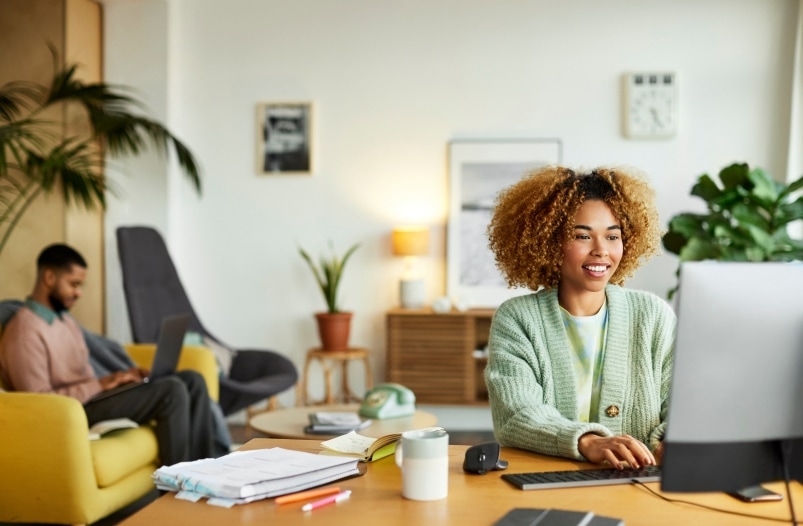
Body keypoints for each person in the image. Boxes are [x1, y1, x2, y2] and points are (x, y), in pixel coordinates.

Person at [484, 165, 675, 470]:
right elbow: (516, 413)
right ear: (548, 241)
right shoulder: (517, 319)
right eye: (582, 236)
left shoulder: (653, 315)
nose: (601, 251)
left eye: (613, 237)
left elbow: (679, 405)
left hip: (641, 485)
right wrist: (589, 441)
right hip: (546, 480)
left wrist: (673, 442)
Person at [0, 244, 220, 465]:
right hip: (74, 412)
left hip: (94, 398)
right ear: (49, 277)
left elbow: (84, 375)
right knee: (171, 390)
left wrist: (120, 380)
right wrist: (101, 384)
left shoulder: (65, 320)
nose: (79, 293)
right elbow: (42, 404)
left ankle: (204, 471)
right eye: (73, 284)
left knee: (192, 380)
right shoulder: (24, 332)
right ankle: (179, 485)